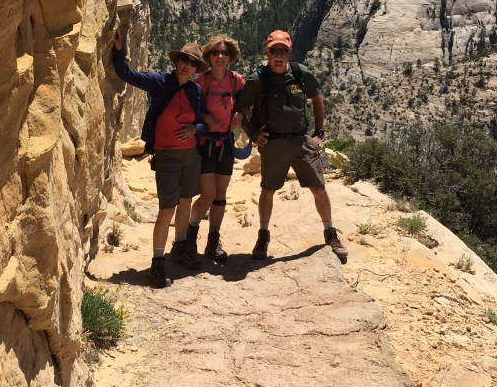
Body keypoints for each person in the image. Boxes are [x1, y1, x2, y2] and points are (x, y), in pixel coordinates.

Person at [234, 30, 348, 264]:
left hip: (300, 140)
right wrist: (253, 133)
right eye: (274, 50)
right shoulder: (258, 79)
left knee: (319, 187)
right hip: (273, 142)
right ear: (267, 52)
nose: (278, 55)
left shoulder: (301, 74)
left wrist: (319, 132)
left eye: (283, 51)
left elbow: (317, 99)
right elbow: (240, 109)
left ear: (289, 52)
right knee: (268, 189)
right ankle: (263, 236)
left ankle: (330, 233)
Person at [112, 29, 211, 287]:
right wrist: (119, 50)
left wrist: (194, 129)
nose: (187, 66)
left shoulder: (194, 91)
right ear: (177, 61)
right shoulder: (159, 82)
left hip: (191, 154)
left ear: (196, 69)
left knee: (186, 201)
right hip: (167, 155)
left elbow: (202, 123)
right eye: (184, 61)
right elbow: (125, 74)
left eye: (192, 64)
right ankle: (157, 263)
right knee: (167, 208)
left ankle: (180, 247)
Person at [187, 34, 246, 263]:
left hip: (226, 144)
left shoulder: (236, 81)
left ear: (230, 57)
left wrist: (241, 113)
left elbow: (245, 102)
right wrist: (205, 118)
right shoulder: (202, 82)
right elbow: (191, 109)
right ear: (209, 56)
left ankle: (213, 241)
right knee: (207, 194)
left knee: (220, 197)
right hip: (205, 144)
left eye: (224, 53)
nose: (220, 56)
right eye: (216, 52)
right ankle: (190, 236)